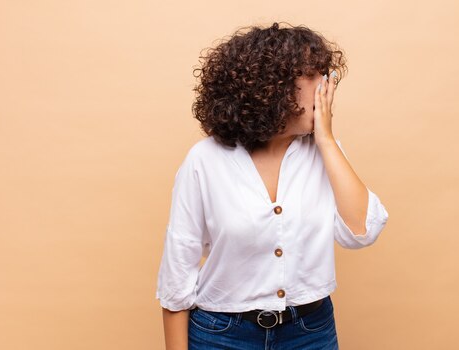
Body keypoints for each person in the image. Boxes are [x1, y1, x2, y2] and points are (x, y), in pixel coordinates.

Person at [156, 21, 389, 350]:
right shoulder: (204, 161)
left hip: (311, 332)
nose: (327, 86)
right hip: (222, 335)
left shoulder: (325, 153)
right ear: (273, 85)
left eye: (328, 75)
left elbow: (362, 230)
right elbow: (176, 276)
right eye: (315, 74)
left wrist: (325, 138)